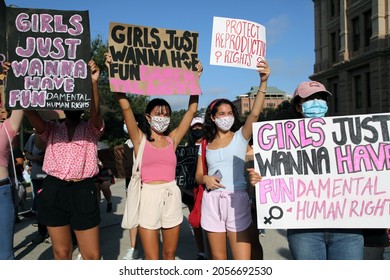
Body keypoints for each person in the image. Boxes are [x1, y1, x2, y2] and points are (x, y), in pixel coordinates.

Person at [248, 80, 365, 260]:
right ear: (298, 106)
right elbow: (271, 172)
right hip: (305, 229)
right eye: (310, 99)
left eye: (321, 98)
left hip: (347, 228)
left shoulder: (351, 135)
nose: (317, 103)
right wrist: (260, 179)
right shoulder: (280, 140)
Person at [105, 53, 202, 260]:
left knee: (169, 255)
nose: (163, 118)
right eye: (158, 114)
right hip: (147, 196)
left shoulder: (172, 140)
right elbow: (126, 106)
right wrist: (114, 72)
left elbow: (191, 111)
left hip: (171, 195)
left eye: (166, 114)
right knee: (152, 259)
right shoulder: (139, 139)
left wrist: (195, 79)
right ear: (148, 118)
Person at [23, 60, 104, 260]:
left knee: (92, 256)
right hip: (54, 189)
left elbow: (96, 113)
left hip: (83, 190)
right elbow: (29, 110)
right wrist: (17, 81)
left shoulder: (91, 129)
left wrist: (93, 83)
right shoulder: (50, 129)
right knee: (61, 253)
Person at [195, 60, 270, 260]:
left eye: (230, 113)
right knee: (219, 260)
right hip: (212, 202)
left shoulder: (240, 137)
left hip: (237, 200)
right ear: (212, 117)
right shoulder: (205, 144)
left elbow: (254, 114)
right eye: (221, 114)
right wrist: (206, 179)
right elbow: (198, 176)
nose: (226, 117)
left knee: (242, 262)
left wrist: (263, 83)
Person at [0, 62, 24, 260]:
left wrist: (14, 77)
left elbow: (21, 104)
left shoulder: (6, 129)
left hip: (2, 191)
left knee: (5, 255)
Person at [183, 116, 208, 260]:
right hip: (190, 190)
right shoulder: (186, 148)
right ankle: (201, 250)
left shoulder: (210, 144)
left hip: (207, 189)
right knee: (196, 220)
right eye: (194, 128)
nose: (197, 130)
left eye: (200, 127)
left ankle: (212, 247)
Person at [23, 132, 49, 244]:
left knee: (54, 204)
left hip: (53, 175)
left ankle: (56, 232)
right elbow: (27, 153)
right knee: (39, 204)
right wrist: (35, 158)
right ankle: (42, 232)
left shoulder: (56, 132)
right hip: (37, 175)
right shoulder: (33, 137)